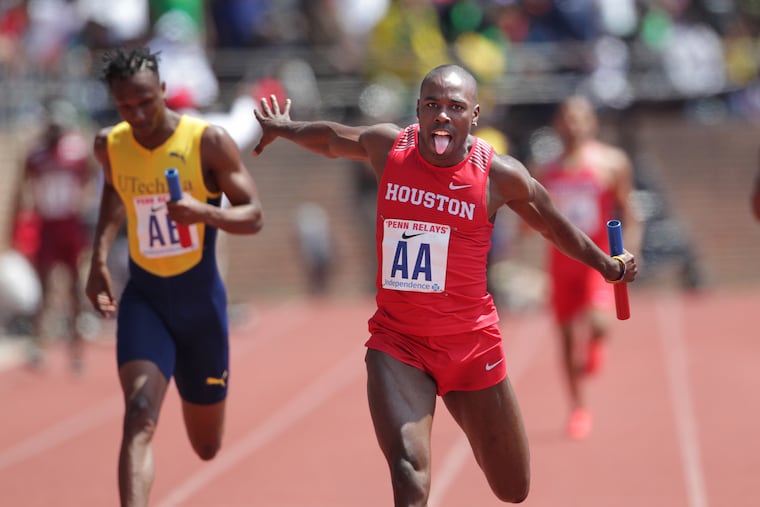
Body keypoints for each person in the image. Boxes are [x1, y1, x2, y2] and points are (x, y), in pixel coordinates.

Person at [253, 64, 638, 505]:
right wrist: (285, 129)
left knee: (513, 488)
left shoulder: (498, 176)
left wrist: (605, 265)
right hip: (399, 344)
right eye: (432, 105)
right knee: (408, 472)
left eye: (455, 107)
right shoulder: (389, 148)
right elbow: (331, 138)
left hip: (471, 347)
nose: (441, 116)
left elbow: (553, 225)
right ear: (417, 110)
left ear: (474, 117)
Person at [85, 47, 263, 507]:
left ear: (163, 90)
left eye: (146, 101)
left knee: (207, 447)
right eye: (126, 106)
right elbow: (111, 193)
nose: (138, 114)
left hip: (200, 304)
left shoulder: (207, 141)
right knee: (140, 413)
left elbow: (254, 215)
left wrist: (203, 211)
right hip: (145, 300)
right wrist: (99, 259)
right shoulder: (111, 145)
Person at [532, 95, 642, 440]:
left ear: (592, 123)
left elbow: (630, 211)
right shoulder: (545, 170)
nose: (574, 125)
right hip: (561, 262)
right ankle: (578, 408)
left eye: (580, 118)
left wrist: (629, 252)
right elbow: (535, 219)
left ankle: (596, 342)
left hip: (598, 261)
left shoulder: (612, 163)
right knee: (565, 338)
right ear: (557, 124)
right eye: (567, 118)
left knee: (598, 323)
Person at [13, 97, 96, 373]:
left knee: (74, 287)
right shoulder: (37, 154)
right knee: (44, 287)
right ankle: (39, 343)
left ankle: (76, 348)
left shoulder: (76, 150)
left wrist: (84, 202)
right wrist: (22, 217)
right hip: (47, 223)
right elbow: (22, 185)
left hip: (69, 223)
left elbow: (92, 175)